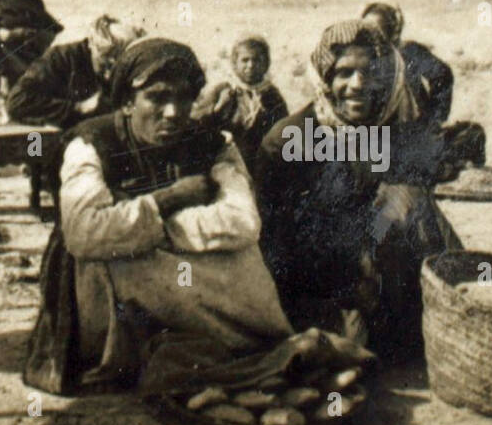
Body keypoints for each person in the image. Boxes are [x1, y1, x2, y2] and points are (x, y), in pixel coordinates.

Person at [23, 38, 293, 395]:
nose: (173, 111)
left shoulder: (213, 143)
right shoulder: (90, 144)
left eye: (184, 97)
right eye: (157, 97)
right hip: (110, 268)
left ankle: (219, 341)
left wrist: (147, 226)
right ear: (127, 102)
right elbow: (84, 232)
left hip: (159, 251)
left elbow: (243, 222)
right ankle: (147, 347)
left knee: (244, 258)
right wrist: (168, 199)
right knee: (110, 259)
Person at [254, 20, 461, 363]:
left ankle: (436, 315)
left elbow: (404, 212)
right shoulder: (289, 139)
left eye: (371, 72)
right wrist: (347, 279)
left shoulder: (390, 131)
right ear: (324, 78)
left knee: (409, 200)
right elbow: (276, 243)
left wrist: (369, 249)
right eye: (344, 73)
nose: (358, 85)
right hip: (315, 278)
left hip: (373, 266)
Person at [7, 14, 142, 130]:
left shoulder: (128, 66)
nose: (109, 74)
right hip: (47, 139)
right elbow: (16, 102)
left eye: (116, 66)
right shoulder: (60, 59)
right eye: (105, 64)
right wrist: (79, 107)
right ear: (92, 46)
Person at [192, 34, 289, 172]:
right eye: (245, 60)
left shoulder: (271, 94)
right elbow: (194, 124)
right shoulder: (224, 90)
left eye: (257, 60)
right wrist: (218, 108)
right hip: (225, 162)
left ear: (266, 63)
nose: (250, 65)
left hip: (262, 164)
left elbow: (283, 131)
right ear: (235, 64)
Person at [361, 2, 454, 126]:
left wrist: (435, 118)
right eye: (366, 31)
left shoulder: (408, 51)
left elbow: (442, 74)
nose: (371, 37)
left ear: (391, 33)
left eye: (377, 31)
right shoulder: (360, 58)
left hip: (413, 127)